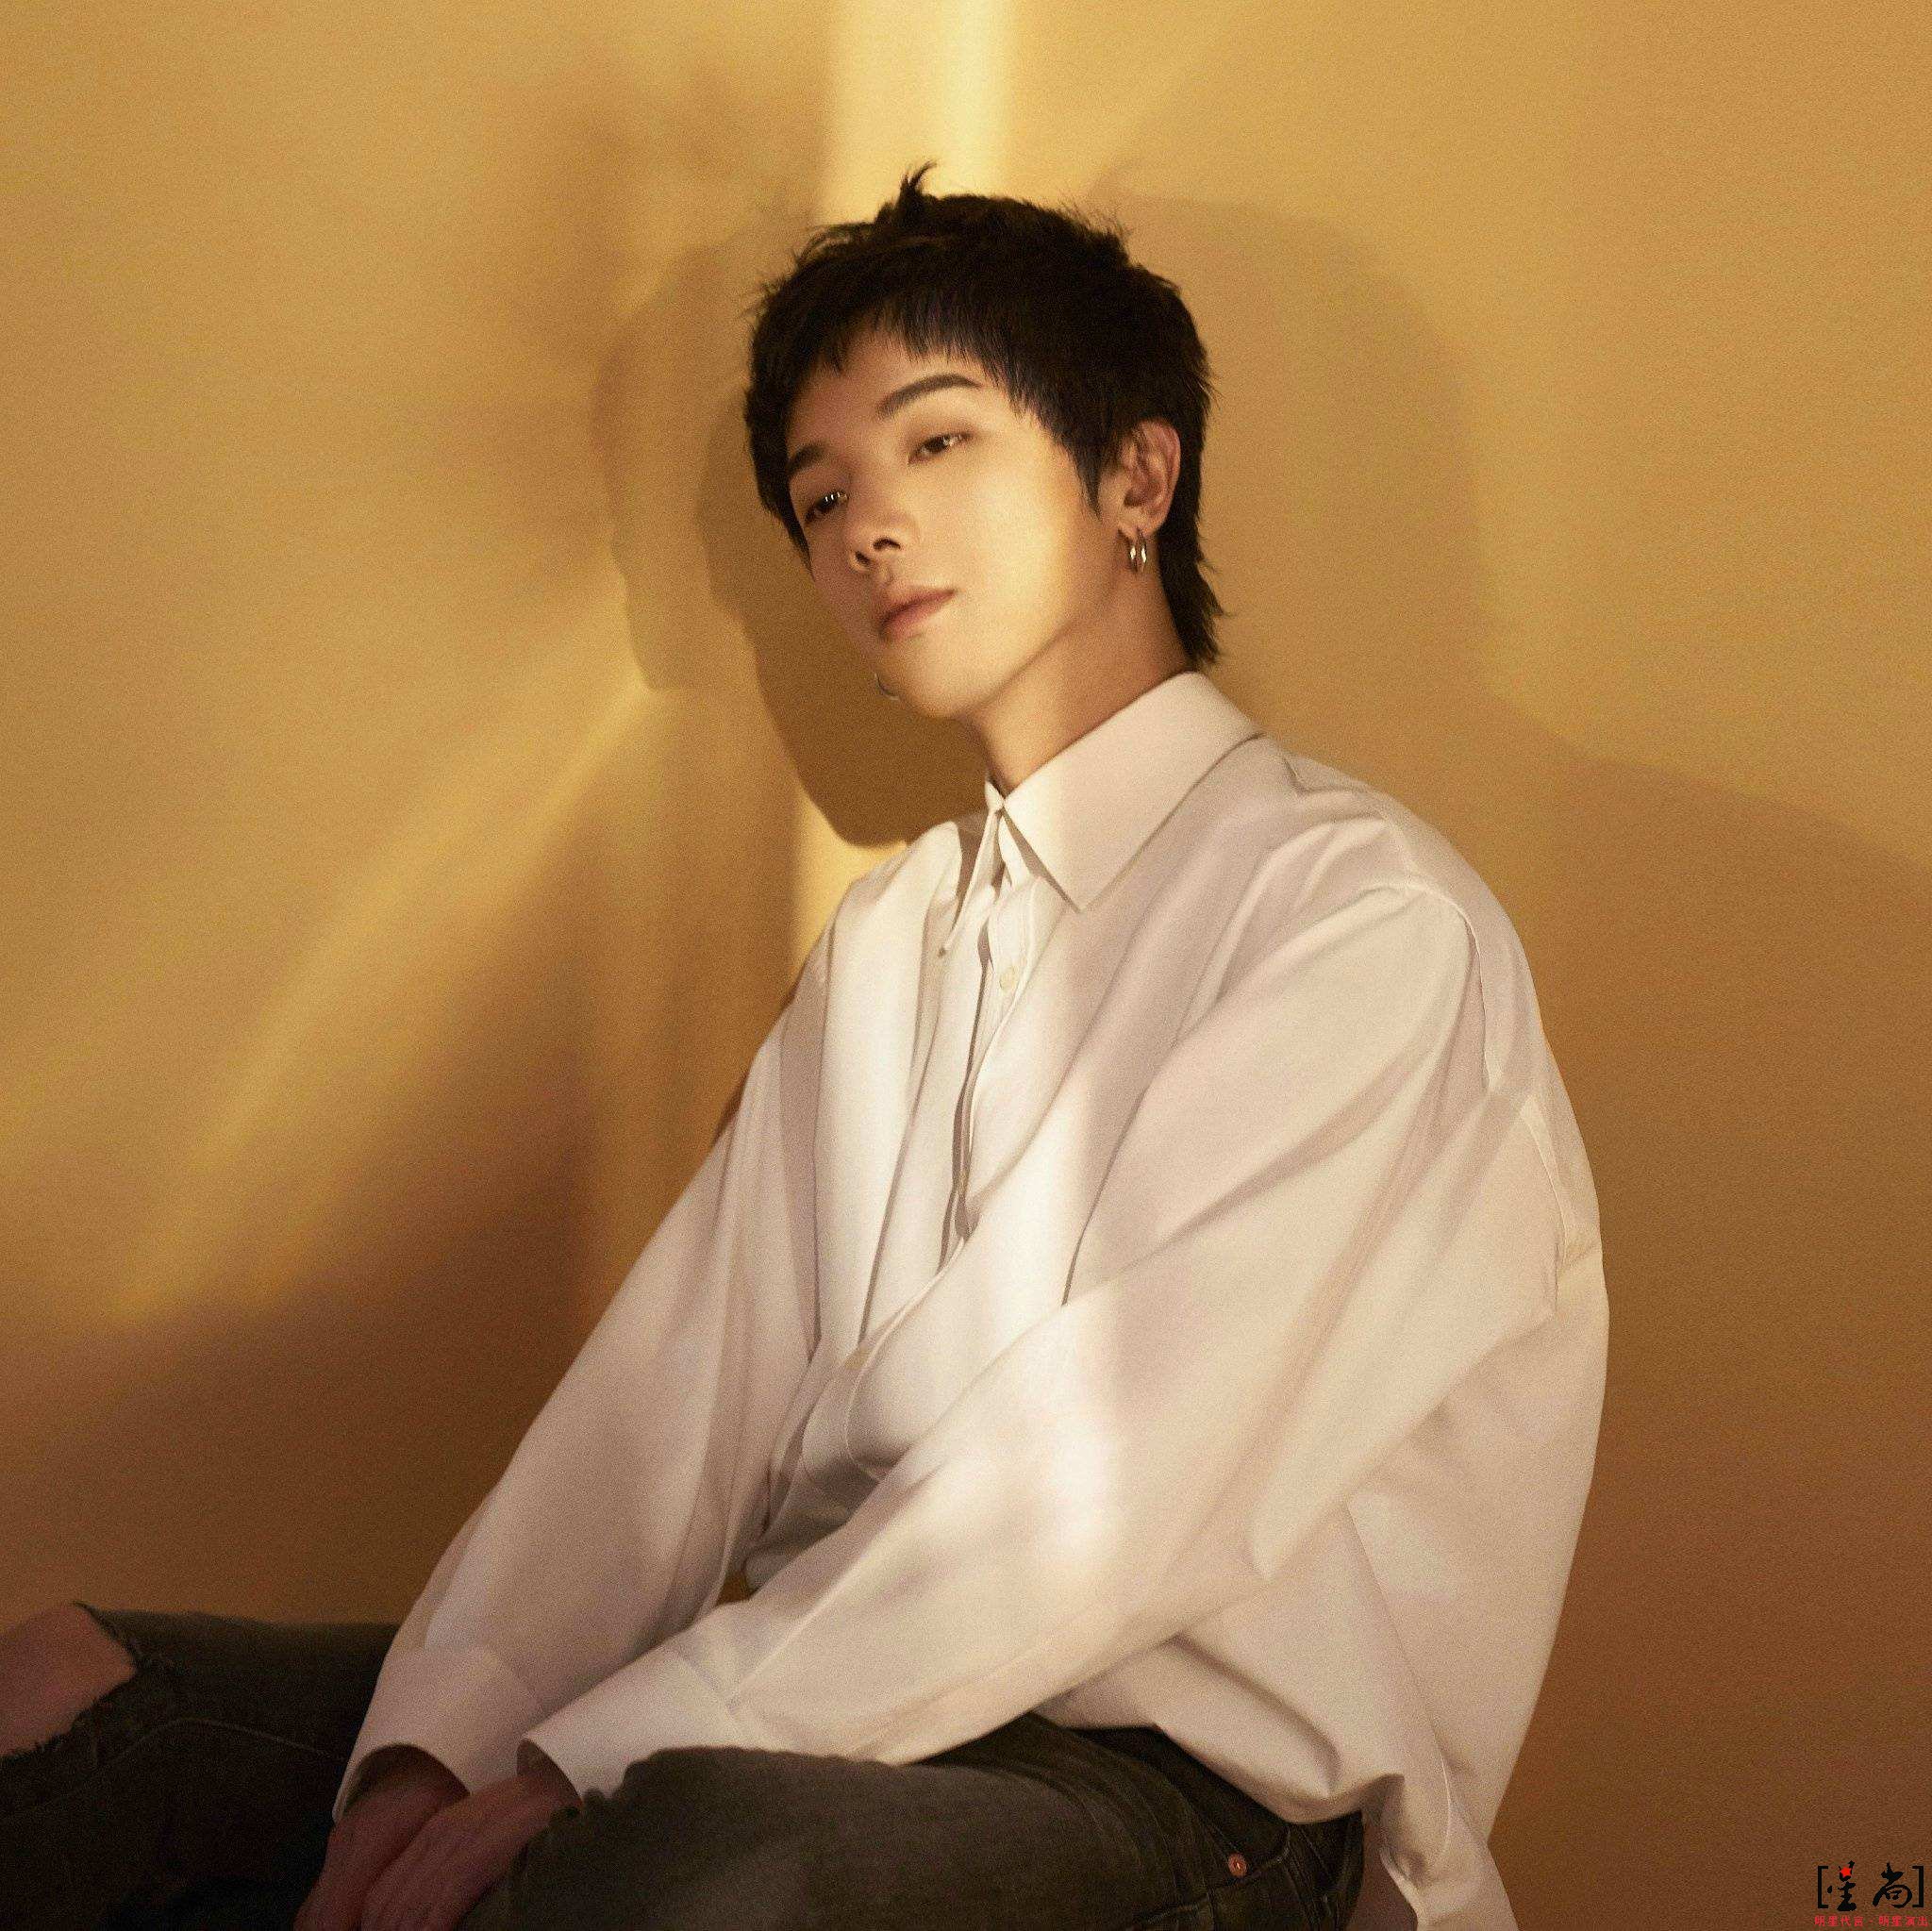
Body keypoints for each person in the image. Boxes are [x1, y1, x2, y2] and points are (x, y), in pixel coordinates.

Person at [0, 162, 1606, 1931]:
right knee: (69, 1703)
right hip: (797, 1725)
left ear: (1137, 478)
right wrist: (434, 1758)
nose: (865, 530)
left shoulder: (1356, 921)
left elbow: (1101, 1501)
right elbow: (664, 1419)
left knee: (694, 1861)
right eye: (821, 493)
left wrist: (594, 1766)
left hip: (1179, 1800)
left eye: (938, 442)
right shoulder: (892, 942)